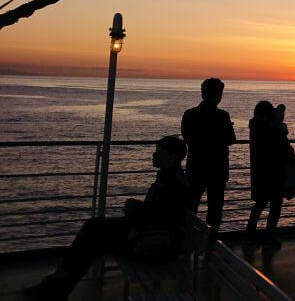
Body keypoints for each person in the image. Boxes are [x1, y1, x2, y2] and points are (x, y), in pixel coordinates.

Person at [22, 136, 192, 300]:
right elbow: (157, 214)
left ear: (174, 157)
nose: (154, 155)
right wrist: (136, 210)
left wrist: (133, 209)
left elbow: (161, 218)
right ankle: (58, 283)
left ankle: (58, 285)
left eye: (159, 152)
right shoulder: (168, 177)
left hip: (154, 245)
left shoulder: (174, 184)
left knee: (93, 239)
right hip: (149, 233)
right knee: (93, 226)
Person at [181, 77, 236, 235]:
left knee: (191, 206)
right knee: (215, 208)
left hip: (196, 166)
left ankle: (189, 237)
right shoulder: (223, 116)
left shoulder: (189, 114)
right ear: (217, 94)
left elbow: (187, 137)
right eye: (220, 93)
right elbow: (230, 140)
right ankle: (210, 240)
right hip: (217, 168)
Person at [246, 101, 290, 245]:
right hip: (275, 170)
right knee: (276, 204)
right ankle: (269, 236)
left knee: (260, 203)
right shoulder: (274, 130)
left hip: (260, 171)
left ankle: (250, 232)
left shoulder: (255, 127)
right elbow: (283, 143)